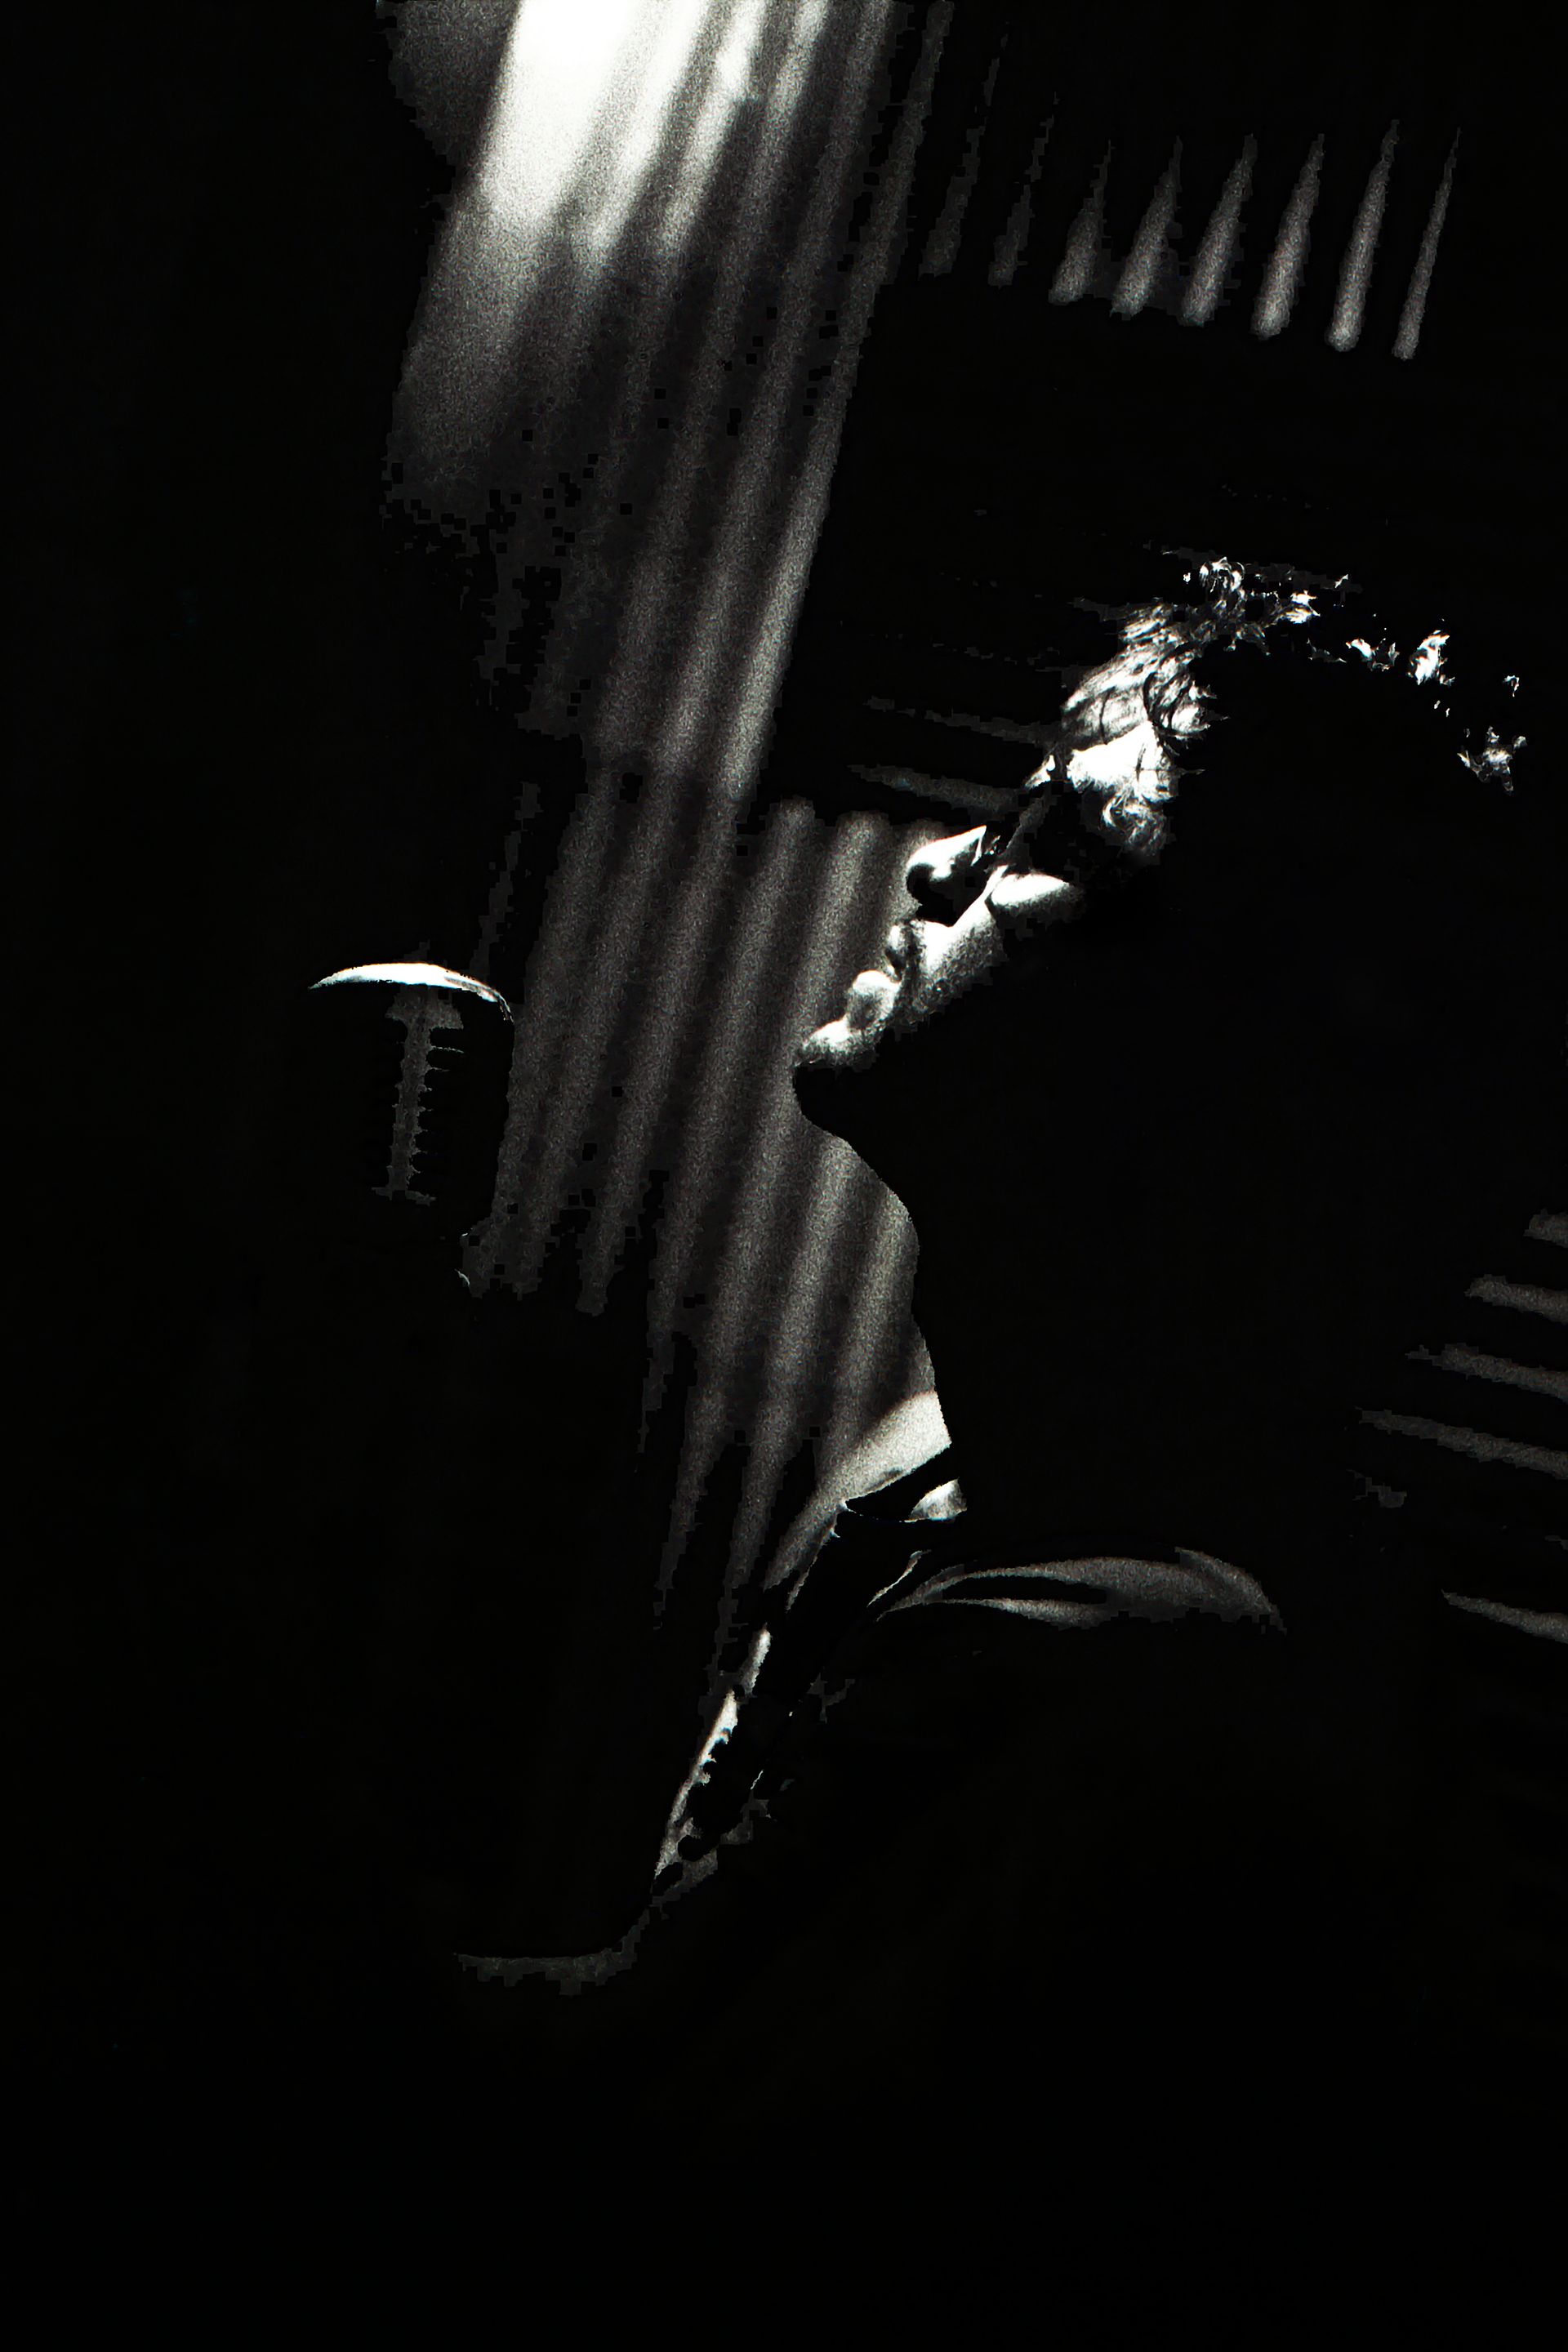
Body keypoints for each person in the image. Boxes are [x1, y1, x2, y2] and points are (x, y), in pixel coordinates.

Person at [270, 555, 1565, 2275]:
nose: (934, 862)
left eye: (1062, 840)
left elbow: (613, 2172)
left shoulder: (1153, 1673)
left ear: (1232, 1057)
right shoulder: (927, 1464)